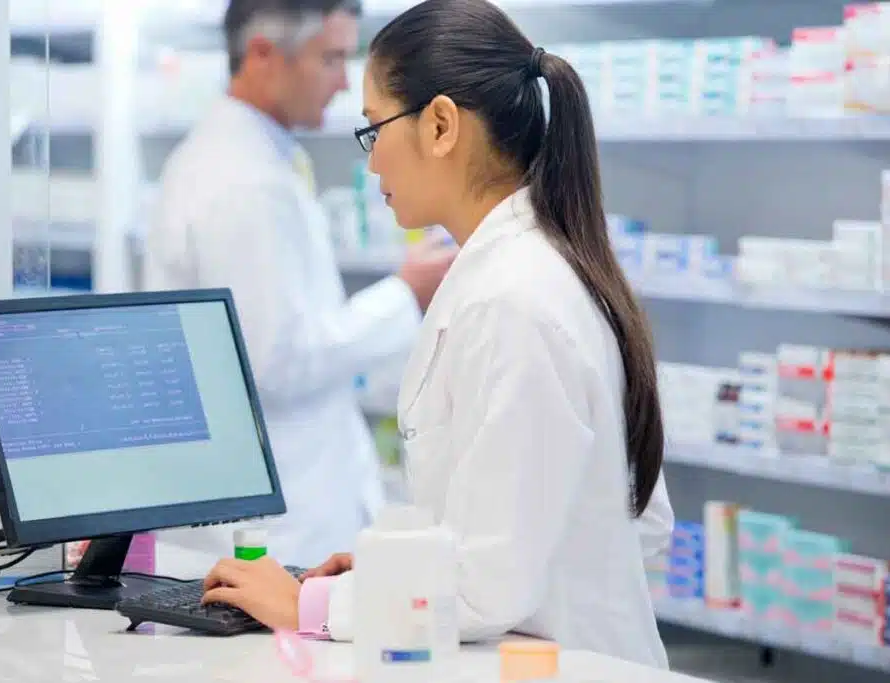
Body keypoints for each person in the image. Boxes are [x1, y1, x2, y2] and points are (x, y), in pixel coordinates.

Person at [197, 0, 675, 669]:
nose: (371, 166)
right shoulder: (546, 266)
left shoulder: (514, 299)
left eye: (374, 131)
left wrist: (307, 607)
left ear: (442, 124)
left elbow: (488, 584)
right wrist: (393, 571)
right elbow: (634, 526)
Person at [142, 0, 457, 569]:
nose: (343, 82)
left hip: (289, 502)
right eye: (331, 58)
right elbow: (277, 359)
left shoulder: (254, 157)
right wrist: (404, 294)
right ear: (263, 55)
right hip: (274, 525)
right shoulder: (242, 181)